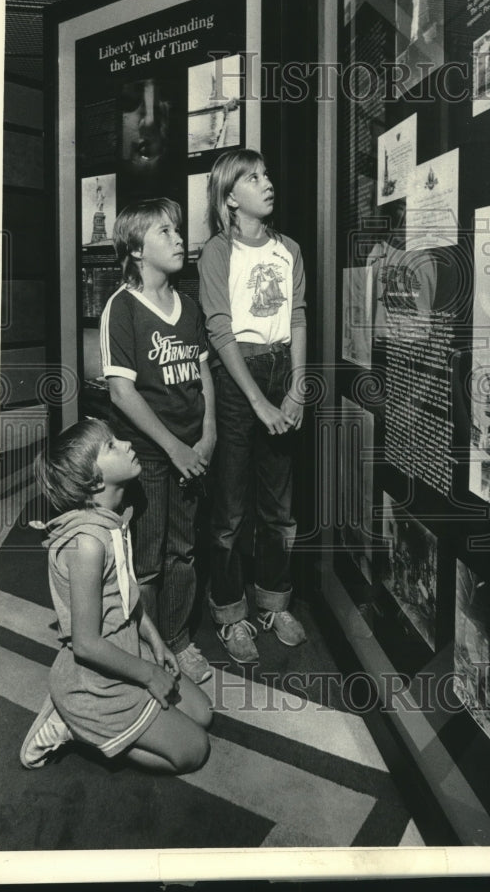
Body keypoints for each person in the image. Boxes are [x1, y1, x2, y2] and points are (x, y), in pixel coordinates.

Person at [21, 418, 212, 772]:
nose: (125, 444)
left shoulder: (113, 519)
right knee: (193, 751)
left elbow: (127, 595)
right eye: (110, 446)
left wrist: (156, 642)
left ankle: (105, 717)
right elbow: (86, 644)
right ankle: (73, 724)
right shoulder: (88, 544)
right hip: (96, 678)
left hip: (127, 649)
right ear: (94, 481)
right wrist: (149, 674)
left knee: (202, 713)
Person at [100, 196, 215, 684]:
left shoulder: (188, 306)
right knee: (146, 558)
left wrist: (208, 436)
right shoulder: (121, 307)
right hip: (150, 454)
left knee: (184, 550)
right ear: (136, 249)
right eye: (164, 232)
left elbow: (203, 374)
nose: (178, 238)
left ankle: (180, 639)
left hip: (191, 451)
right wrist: (174, 448)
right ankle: (148, 647)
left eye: (178, 229)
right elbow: (122, 393)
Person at [198, 149, 307, 664]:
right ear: (229, 197)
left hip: (280, 369)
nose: (267, 183)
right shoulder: (218, 253)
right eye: (253, 177)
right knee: (229, 512)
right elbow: (220, 332)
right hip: (236, 373)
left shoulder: (289, 250)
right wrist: (258, 400)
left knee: (279, 508)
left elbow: (299, 318)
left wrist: (298, 386)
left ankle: (273, 602)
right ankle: (229, 613)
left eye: (267, 174)